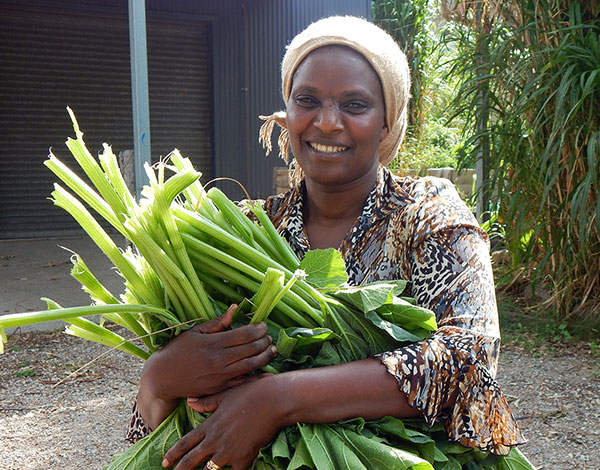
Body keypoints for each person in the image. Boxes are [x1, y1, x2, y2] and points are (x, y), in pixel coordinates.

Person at [127, 16, 526, 470]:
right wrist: (157, 380)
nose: (327, 122)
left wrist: (278, 398)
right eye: (307, 100)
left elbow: (468, 361)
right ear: (287, 113)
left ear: (386, 121)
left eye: (354, 104)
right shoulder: (242, 231)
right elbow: (161, 437)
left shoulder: (426, 215)